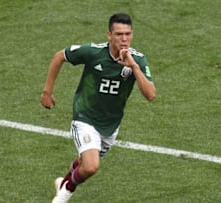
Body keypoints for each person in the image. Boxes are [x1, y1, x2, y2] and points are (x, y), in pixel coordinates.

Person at [40, 13, 156, 203]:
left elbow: (151, 95)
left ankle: (63, 182)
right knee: (92, 166)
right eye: (119, 34)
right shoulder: (94, 53)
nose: (124, 39)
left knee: (84, 163)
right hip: (85, 116)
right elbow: (59, 56)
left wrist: (134, 66)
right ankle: (63, 194)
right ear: (109, 35)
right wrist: (47, 91)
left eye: (128, 34)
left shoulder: (138, 60)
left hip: (111, 124)